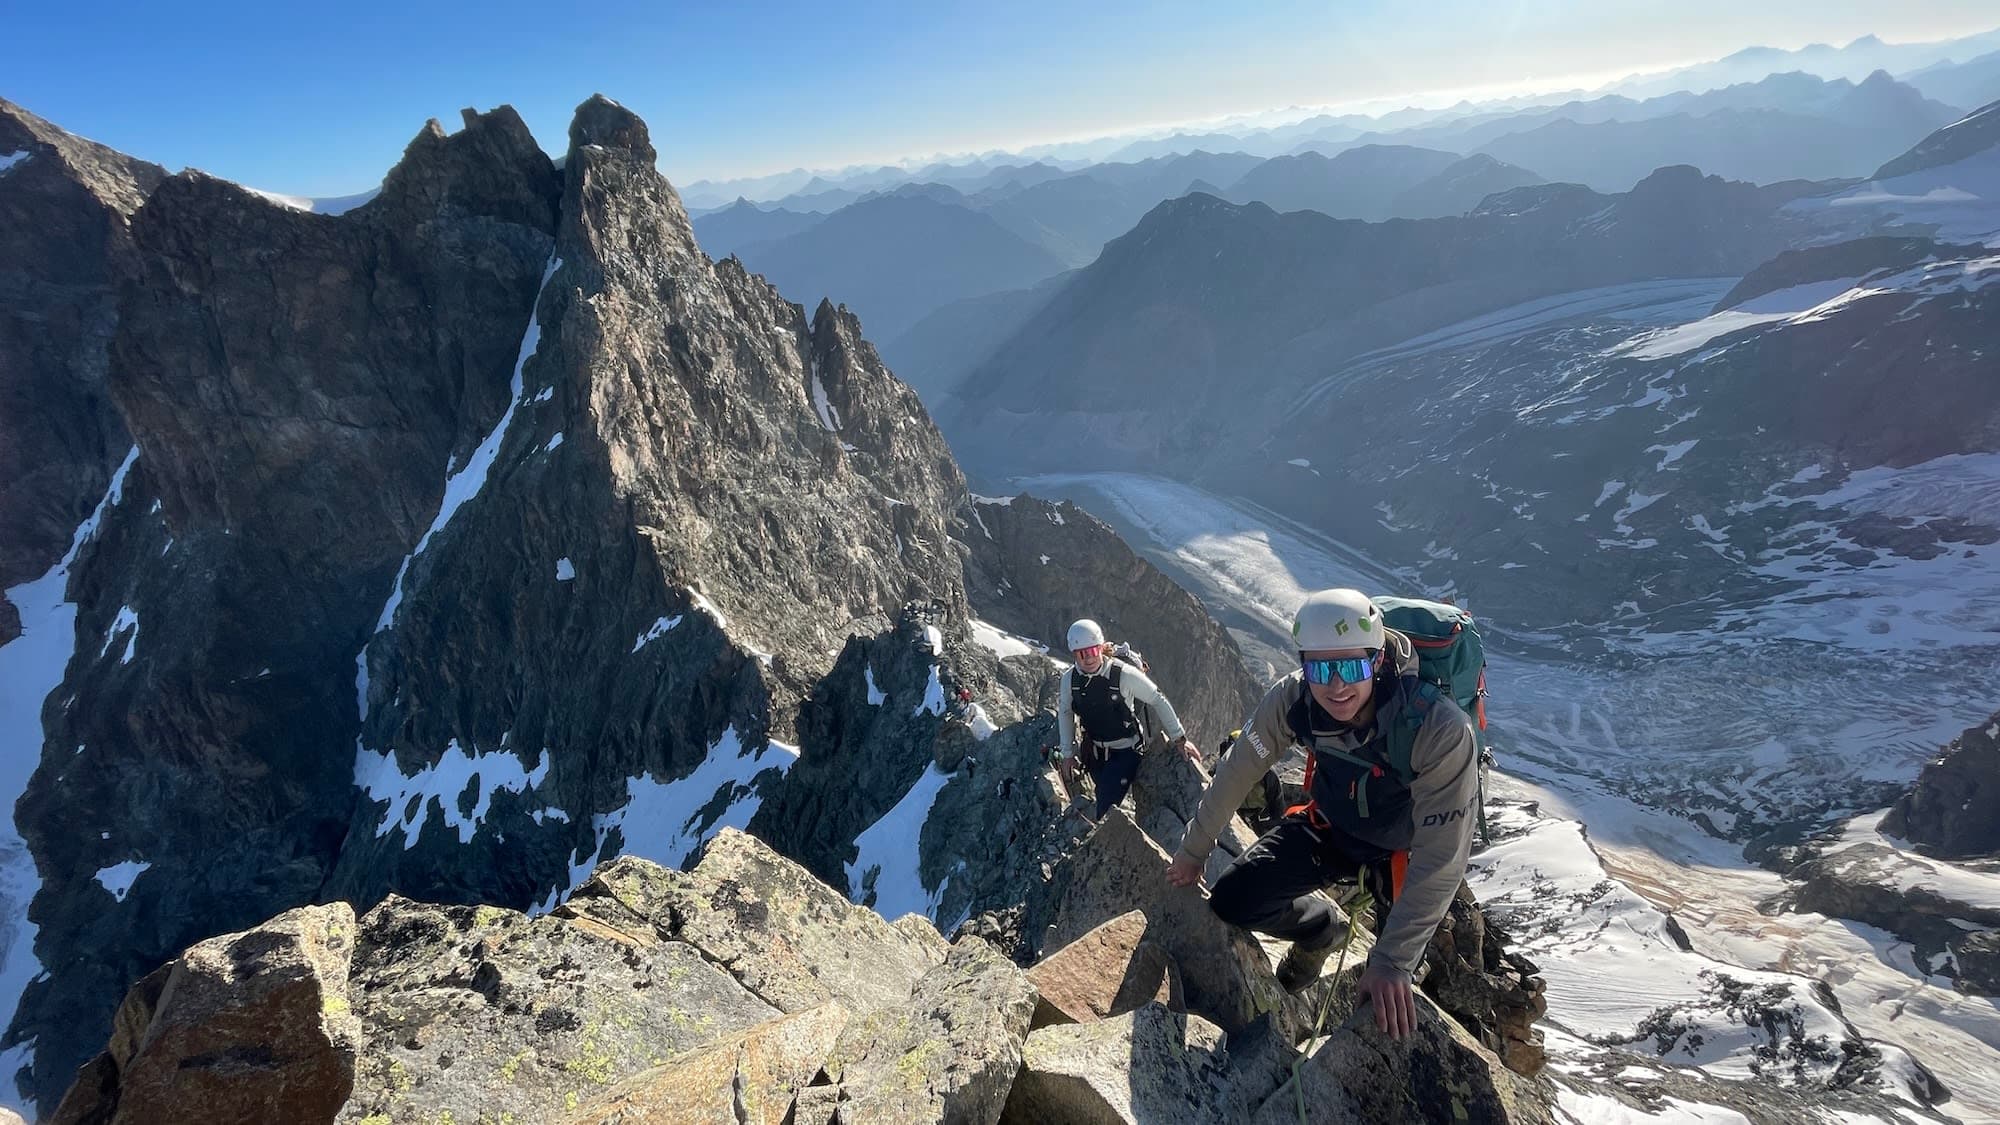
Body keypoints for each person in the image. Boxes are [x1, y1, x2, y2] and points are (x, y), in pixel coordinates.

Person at [1165, 589, 1479, 1041]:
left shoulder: (1437, 726)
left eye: (1350, 667)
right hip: (1332, 826)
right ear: (1304, 664)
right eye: (1320, 668)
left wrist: (1392, 962)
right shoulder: (1294, 699)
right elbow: (1237, 770)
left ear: (1375, 660)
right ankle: (1320, 931)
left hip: (1405, 853)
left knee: (1395, 1000)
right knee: (1233, 899)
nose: (1336, 685)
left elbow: (1444, 855)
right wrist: (1194, 849)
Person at [1056, 618, 1201, 818]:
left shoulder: (1123, 674)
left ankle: (1104, 838)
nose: (1088, 658)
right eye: (1082, 653)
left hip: (1126, 752)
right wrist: (1067, 754)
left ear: (1101, 648)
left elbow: (1158, 699)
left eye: (1092, 651)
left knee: (1105, 806)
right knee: (1102, 793)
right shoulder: (1069, 680)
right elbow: (1065, 713)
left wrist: (1180, 738)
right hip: (1095, 752)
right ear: (1074, 654)